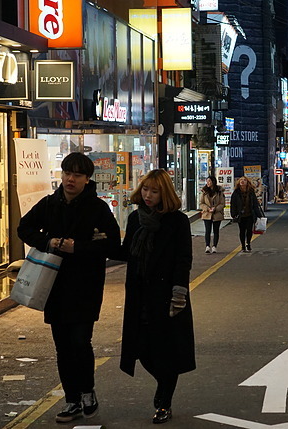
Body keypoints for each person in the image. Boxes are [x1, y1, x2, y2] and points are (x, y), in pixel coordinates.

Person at [16, 152, 121, 423]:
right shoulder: (50, 204)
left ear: (87, 179)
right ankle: (72, 399)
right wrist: (49, 241)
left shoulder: (97, 208)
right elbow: (24, 228)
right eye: (66, 173)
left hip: (85, 284)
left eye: (76, 175)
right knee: (62, 345)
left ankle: (87, 392)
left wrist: (79, 247)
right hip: (53, 285)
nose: (70, 179)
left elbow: (112, 244)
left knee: (80, 341)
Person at [116, 169, 196, 424]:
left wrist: (179, 293)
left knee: (167, 350)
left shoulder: (177, 221)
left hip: (166, 295)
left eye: (154, 191)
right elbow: (126, 252)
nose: (148, 195)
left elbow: (183, 260)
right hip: (139, 295)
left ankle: (164, 401)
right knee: (141, 348)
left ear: (165, 194)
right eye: (146, 190)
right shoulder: (135, 219)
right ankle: (164, 383)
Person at [230, 176, 263, 252]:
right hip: (240, 215)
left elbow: (255, 204)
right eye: (241, 180)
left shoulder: (251, 192)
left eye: (244, 180)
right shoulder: (236, 193)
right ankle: (243, 245)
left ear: (247, 182)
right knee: (242, 230)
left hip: (250, 214)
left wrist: (259, 215)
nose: (242, 181)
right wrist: (233, 214)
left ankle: (248, 243)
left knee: (249, 230)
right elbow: (233, 204)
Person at [200, 176, 225, 253]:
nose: (208, 183)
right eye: (207, 181)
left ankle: (214, 246)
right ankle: (207, 246)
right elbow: (201, 203)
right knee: (207, 230)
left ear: (213, 182)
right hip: (207, 214)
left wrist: (215, 209)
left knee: (216, 230)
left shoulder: (219, 191)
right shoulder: (204, 191)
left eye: (209, 181)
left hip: (217, 214)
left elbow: (222, 203)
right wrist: (207, 209)